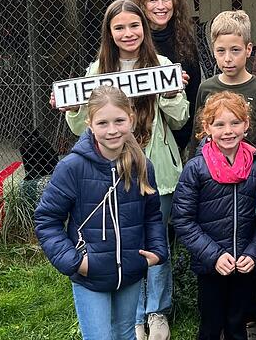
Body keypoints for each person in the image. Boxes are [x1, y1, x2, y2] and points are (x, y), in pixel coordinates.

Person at [55, 0, 189, 340]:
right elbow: (81, 128)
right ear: (109, 32)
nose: (128, 33)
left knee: (152, 239)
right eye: (119, 27)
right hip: (108, 175)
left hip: (153, 167)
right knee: (119, 239)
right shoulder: (96, 71)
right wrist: (71, 109)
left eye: (134, 25)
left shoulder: (161, 64)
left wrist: (173, 93)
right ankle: (133, 316)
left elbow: (178, 119)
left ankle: (156, 311)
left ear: (144, 29)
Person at [35, 85, 168, 340]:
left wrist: (157, 251)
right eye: (103, 122)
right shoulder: (71, 168)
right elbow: (46, 220)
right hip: (90, 276)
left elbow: (152, 214)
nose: (112, 130)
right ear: (90, 123)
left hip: (129, 272)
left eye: (119, 120)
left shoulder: (142, 165)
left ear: (131, 118)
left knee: (125, 334)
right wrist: (75, 262)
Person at [172, 91, 256, 340]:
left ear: (246, 125)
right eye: (219, 124)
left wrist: (254, 252)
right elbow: (183, 219)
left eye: (235, 123)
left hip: (244, 264)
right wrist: (213, 256)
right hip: (211, 266)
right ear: (207, 127)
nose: (228, 131)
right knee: (211, 325)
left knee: (238, 324)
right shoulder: (196, 168)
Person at [130, 0, 202, 155]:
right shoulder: (131, 41)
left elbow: (194, 93)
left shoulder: (185, 40)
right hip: (139, 136)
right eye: (153, 0)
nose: (160, 6)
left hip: (177, 134)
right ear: (141, 5)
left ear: (174, 3)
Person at [191, 10, 256, 162]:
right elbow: (197, 139)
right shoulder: (206, 89)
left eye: (235, 50)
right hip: (212, 174)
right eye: (221, 51)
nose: (228, 59)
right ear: (213, 51)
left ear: (248, 49)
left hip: (252, 175)